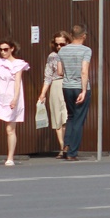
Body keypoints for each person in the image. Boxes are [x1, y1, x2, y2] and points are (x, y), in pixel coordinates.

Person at [0, 39, 29, 166]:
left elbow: (18, 83)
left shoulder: (18, 64)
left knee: (10, 130)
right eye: (1, 49)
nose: (3, 52)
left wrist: (15, 99)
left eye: (5, 49)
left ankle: (10, 157)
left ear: (12, 49)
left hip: (11, 98)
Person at [59, 24, 92, 161]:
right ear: (84, 36)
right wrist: (84, 90)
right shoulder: (86, 50)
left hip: (66, 86)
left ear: (71, 35)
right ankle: (72, 152)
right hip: (80, 86)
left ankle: (66, 145)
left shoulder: (62, 51)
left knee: (71, 117)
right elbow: (84, 70)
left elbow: (59, 72)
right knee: (79, 119)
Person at [36, 30, 70, 159]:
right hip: (56, 85)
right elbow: (48, 76)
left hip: (69, 85)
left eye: (62, 44)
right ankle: (62, 148)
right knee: (57, 118)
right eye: (57, 45)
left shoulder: (71, 55)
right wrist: (43, 93)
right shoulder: (52, 56)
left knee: (67, 117)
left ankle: (68, 146)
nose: (59, 47)